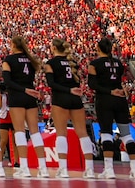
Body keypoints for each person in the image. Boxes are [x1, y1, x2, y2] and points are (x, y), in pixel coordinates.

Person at [88, 37, 135, 179]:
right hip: (120, 100)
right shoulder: (118, 63)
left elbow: (92, 85)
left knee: (106, 134)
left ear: (98, 49)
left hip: (105, 100)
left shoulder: (94, 64)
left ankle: (109, 169)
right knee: (127, 135)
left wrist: (109, 91)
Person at [44, 38, 95, 178]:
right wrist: (73, 91)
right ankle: (89, 169)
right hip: (75, 99)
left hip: (61, 98)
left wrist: (67, 91)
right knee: (83, 133)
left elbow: (51, 84)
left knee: (61, 133)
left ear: (54, 48)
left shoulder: (50, 63)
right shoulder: (72, 63)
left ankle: (63, 169)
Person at [1, 35, 47, 178]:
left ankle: (25, 168)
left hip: (17, 95)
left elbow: (7, 81)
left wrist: (23, 90)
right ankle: (43, 167)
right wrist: (27, 90)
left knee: (19, 131)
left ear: (14, 45)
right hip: (30, 96)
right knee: (34, 132)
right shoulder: (30, 60)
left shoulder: (8, 60)